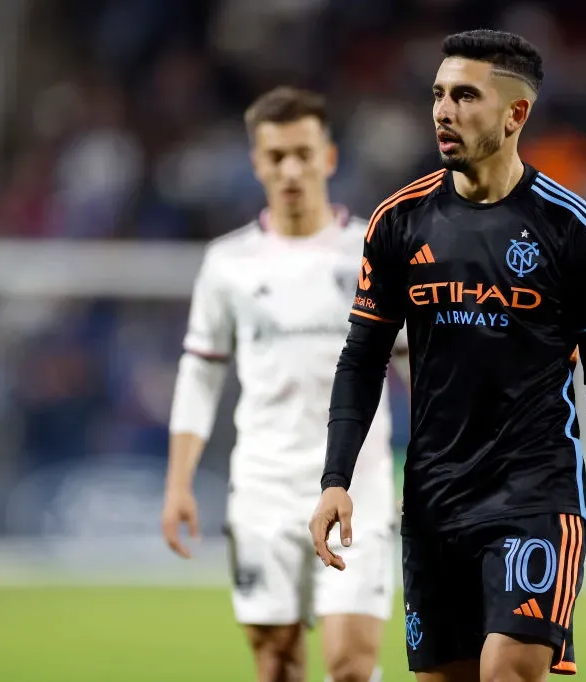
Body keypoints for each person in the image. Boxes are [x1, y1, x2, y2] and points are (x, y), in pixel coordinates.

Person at [310, 30, 586, 682]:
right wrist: (335, 480)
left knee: (508, 672)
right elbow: (362, 359)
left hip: (534, 496)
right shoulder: (399, 222)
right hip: (435, 500)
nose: (443, 110)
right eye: (438, 94)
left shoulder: (575, 230)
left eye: (465, 96)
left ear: (515, 114)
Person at [162, 86, 405, 682]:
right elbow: (200, 374)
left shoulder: (371, 254)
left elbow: (418, 370)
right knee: (276, 664)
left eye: (302, 152)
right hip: (264, 488)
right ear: (257, 164)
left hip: (360, 488)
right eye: (276, 156)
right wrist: (178, 483)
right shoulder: (228, 264)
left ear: (329, 156)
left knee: (351, 664)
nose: (291, 169)